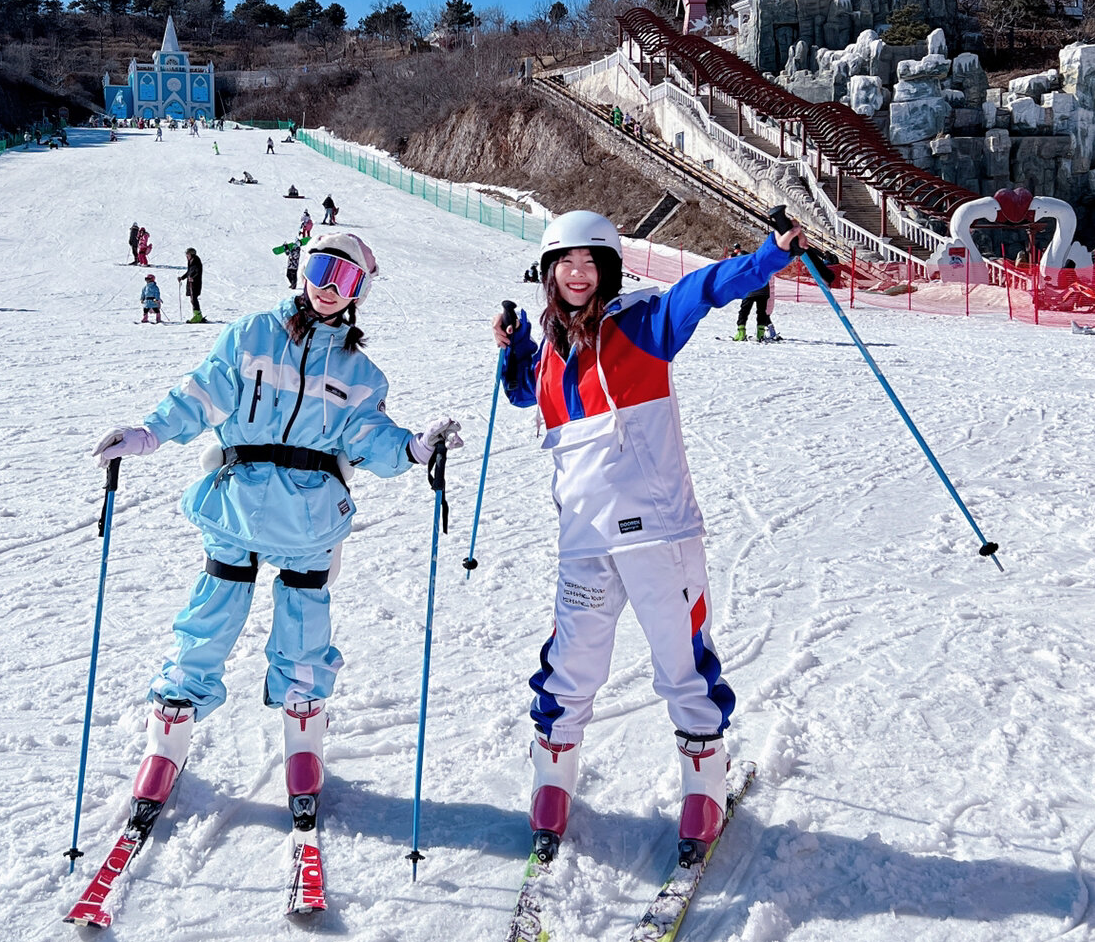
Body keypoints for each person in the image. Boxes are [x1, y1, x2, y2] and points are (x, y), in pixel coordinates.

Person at [92, 233, 462, 846]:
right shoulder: (251, 337)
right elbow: (202, 393)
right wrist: (148, 434)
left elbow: (371, 436)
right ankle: (165, 746)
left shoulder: (360, 374)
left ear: (357, 295)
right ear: (302, 270)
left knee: (304, 631)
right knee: (208, 620)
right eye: (321, 268)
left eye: (344, 280)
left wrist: (414, 450)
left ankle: (303, 752)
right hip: (237, 503)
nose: (327, 286)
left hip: (310, 519)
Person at [494, 209, 802, 869]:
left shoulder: (643, 325)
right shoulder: (549, 347)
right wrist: (513, 347)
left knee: (682, 663)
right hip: (583, 539)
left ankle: (703, 792)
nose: (578, 275)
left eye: (591, 263)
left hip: (655, 532)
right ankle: (552, 783)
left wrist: (767, 258)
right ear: (549, 274)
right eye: (565, 264)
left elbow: (705, 289)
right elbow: (523, 393)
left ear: (608, 270)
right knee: (571, 664)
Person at [183, 248, 205, 323]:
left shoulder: (197, 262)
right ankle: (197, 315)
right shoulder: (190, 262)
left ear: (192, 254)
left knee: (194, 299)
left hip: (195, 283)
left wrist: (193, 278)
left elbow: (198, 272)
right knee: (192, 299)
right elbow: (189, 272)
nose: (186, 256)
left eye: (188, 254)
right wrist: (182, 278)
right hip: (190, 283)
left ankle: (197, 316)